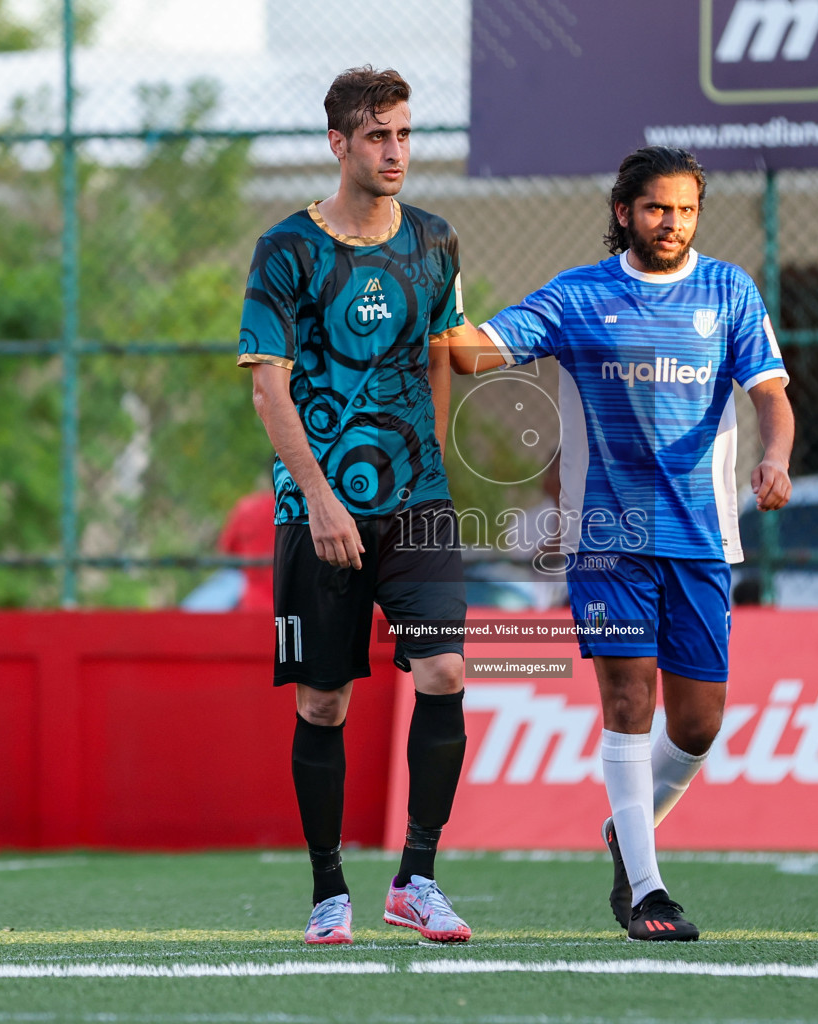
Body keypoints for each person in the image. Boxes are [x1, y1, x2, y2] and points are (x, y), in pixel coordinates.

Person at [446, 146, 794, 941]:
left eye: (685, 210)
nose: (671, 224)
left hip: (701, 538)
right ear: (623, 212)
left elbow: (771, 395)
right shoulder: (579, 296)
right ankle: (647, 889)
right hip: (606, 536)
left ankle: (623, 830)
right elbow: (471, 355)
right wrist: (442, 288)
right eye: (656, 209)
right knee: (629, 700)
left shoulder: (729, 291)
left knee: (698, 723)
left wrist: (774, 457)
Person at [238, 67, 472, 946]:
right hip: (318, 510)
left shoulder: (437, 240)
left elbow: (444, 350)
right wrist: (324, 499)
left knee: (446, 673)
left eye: (405, 134)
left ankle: (417, 879)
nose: (395, 152)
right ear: (338, 143)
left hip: (417, 500)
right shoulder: (287, 250)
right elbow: (268, 391)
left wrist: (434, 463)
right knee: (323, 703)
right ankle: (328, 890)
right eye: (378, 136)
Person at [217, 482, 277, 612]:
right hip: (295, 600)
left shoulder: (247, 508)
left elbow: (228, 550)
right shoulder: (303, 508)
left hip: (254, 602)